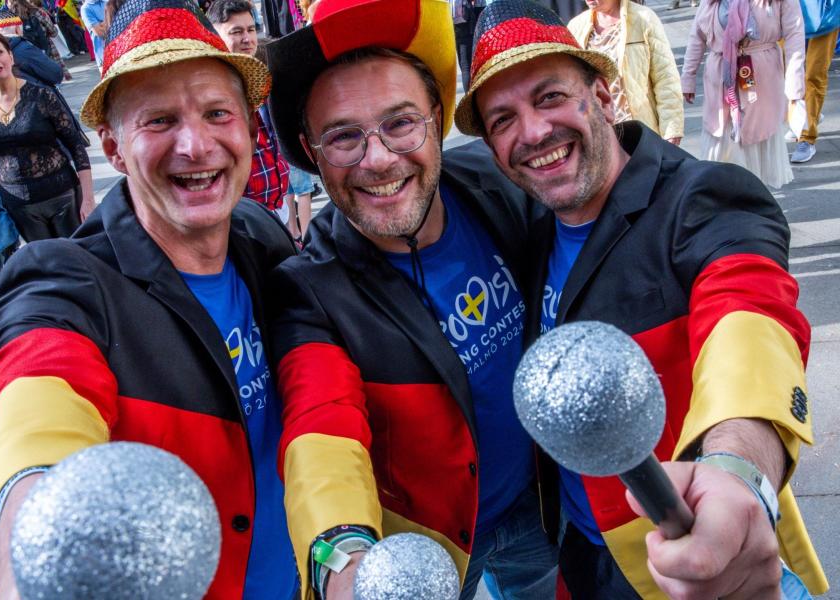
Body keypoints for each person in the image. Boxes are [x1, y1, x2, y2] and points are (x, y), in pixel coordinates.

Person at [456, 0, 828, 597]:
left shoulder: (700, 197)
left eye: (550, 96)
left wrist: (736, 471)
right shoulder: (527, 222)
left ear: (603, 98)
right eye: (502, 120)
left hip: (697, 560)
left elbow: (749, 319)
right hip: (580, 560)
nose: (532, 132)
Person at [0, 0, 298, 597]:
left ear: (248, 128)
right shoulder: (65, 278)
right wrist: (35, 541)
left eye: (217, 112)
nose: (196, 145)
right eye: (158, 121)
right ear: (114, 148)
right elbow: (37, 399)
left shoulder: (261, 232)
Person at [265, 1, 559, 598]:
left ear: (437, 117)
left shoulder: (504, 182)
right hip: (431, 547)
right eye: (344, 137)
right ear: (310, 152)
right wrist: (344, 562)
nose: (378, 159)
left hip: (544, 506)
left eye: (400, 123)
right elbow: (322, 430)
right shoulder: (309, 290)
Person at [0, 28, 93, 242]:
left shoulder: (41, 95)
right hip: (19, 205)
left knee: (78, 261)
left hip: (62, 196)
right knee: (44, 266)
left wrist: (88, 199)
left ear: (10, 56)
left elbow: (75, 145)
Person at [209, 0, 313, 240]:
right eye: (236, 32)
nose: (247, 38)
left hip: (276, 206)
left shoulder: (265, 73)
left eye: (251, 29)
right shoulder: (212, 88)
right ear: (215, 34)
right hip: (241, 218)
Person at [681, 0, 805, 188]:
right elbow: (697, 36)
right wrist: (688, 76)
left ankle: (755, 200)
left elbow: (795, 35)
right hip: (720, 82)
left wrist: (795, 89)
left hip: (763, 82)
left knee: (755, 140)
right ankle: (725, 200)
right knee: (721, 143)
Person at [568, 0, 683, 143]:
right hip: (598, 136)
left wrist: (671, 129)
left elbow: (666, 77)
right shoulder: (575, 26)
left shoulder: (643, 18)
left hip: (639, 132)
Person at [791, 0, 840, 162]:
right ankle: (805, 116)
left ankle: (806, 137)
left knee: (814, 75)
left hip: (825, 15)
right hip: (790, 12)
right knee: (787, 73)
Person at [80, 0, 106, 67]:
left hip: (120, 49)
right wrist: (112, 18)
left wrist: (102, 23)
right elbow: (100, 33)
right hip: (104, 55)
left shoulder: (107, 1)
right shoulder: (86, 8)